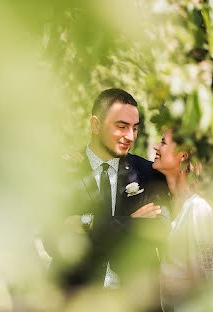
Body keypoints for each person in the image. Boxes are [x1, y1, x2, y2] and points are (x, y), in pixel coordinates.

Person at [45, 88, 171, 309]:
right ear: (95, 125)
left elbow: (158, 230)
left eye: (135, 128)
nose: (130, 137)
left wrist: (88, 223)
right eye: (121, 127)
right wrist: (132, 224)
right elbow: (53, 240)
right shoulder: (61, 171)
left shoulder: (148, 173)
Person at [152, 129, 213, 311]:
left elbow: (211, 288)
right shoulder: (178, 211)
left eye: (163, 142)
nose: (156, 146)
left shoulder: (198, 211)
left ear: (183, 155)